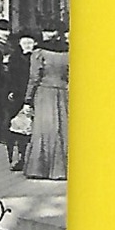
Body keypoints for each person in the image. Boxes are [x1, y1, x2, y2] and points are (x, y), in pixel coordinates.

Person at [23, 32, 68, 180]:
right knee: (62, 128)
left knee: (43, 129)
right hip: (62, 92)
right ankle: (62, 169)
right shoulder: (68, 52)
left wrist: (27, 99)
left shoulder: (39, 53)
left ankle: (40, 168)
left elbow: (34, 78)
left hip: (44, 92)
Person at [0, 28, 39, 169]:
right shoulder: (15, 58)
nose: (27, 44)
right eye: (24, 42)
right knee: (15, 128)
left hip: (34, 95)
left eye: (30, 42)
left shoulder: (37, 57)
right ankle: (17, 157)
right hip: (16, 96)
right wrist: (10, 91)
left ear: (35, 43)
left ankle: (31, 158)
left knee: (31, 128)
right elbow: (9, 77)